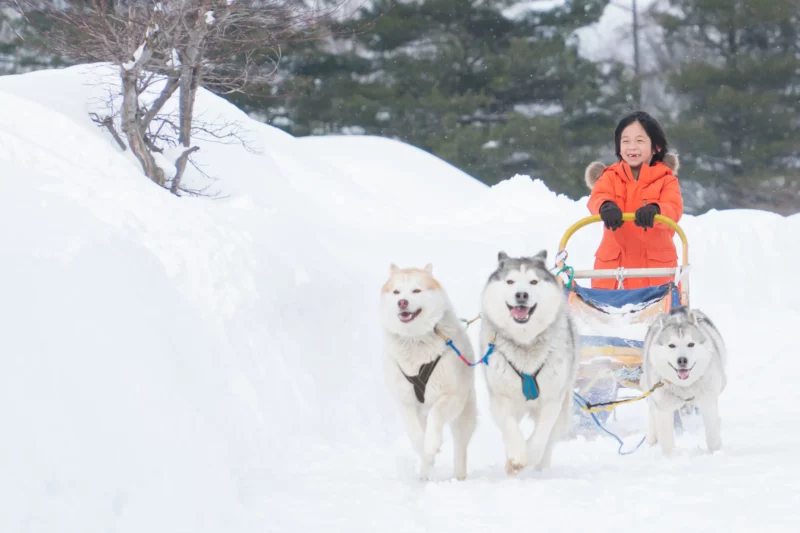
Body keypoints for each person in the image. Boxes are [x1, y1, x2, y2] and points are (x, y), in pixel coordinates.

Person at [583, 111, 683, 290]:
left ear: (656, 147)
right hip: (613, 272)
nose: (632, 147)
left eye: (640, 141)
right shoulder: (610, 177)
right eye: (626, 141)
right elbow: (597, 197)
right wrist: (606, 206)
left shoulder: (666, 180)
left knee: (657, 314)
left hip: (655, 273)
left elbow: (673, 207)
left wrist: (656, 210)